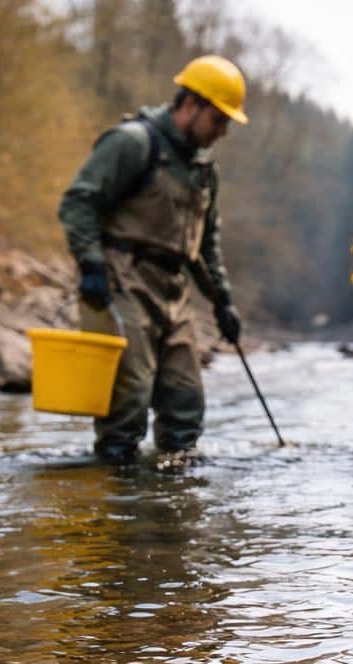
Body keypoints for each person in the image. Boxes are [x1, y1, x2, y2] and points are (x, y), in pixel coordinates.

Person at [57, 54, 248, 466]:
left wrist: (223, 303)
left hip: (174, 290)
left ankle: (171, 507)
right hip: (122, 279)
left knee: (185, 400)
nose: (223, 131)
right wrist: (90, 266)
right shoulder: (132, 142)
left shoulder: (204, 171)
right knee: (130, 395)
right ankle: (117, 488)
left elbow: (205, 245)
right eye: (219, 119)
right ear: (191, 105)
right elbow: (78, 202)